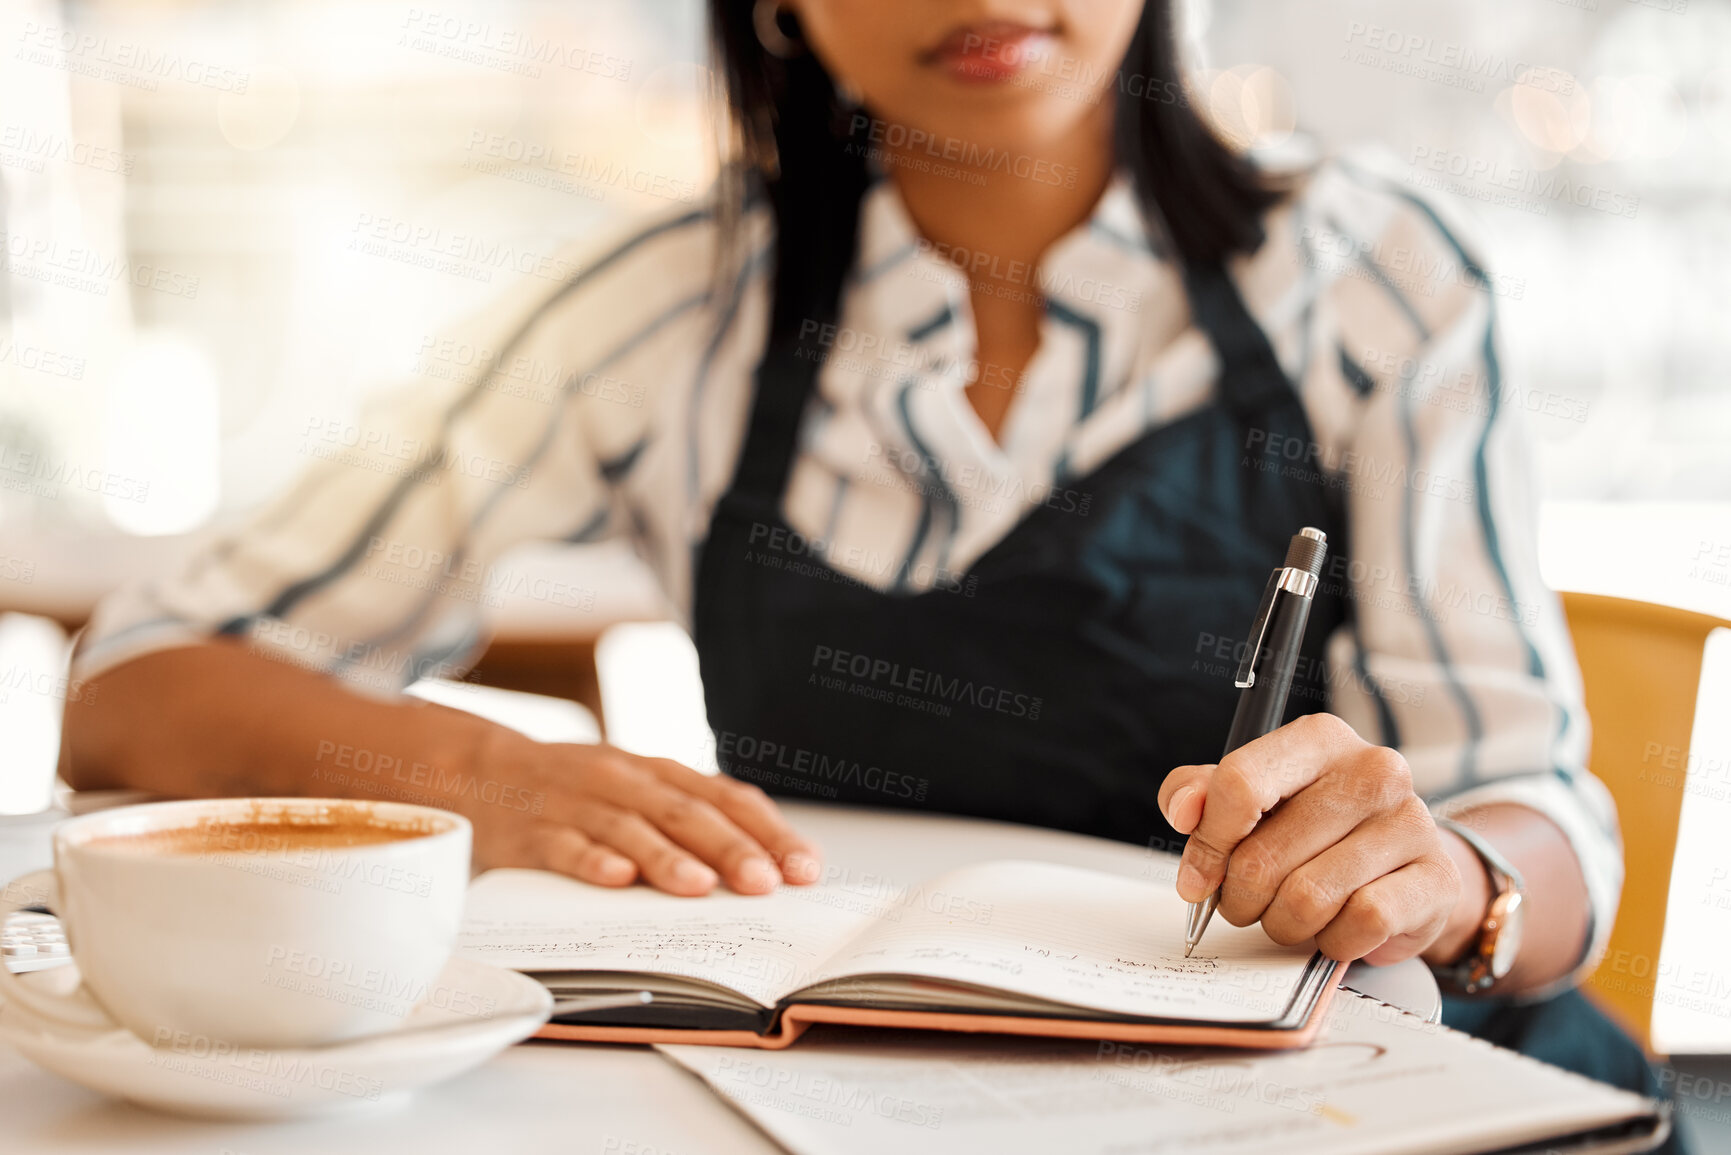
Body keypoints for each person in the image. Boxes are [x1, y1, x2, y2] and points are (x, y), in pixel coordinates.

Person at [63, 0, 1677, 1140]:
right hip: (855, 1108)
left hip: (1349, 1109)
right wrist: (479, 774)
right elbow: (138, 675)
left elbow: (1538, 818)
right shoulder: (666, 316)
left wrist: (1457, 878)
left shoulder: (1375, 283)